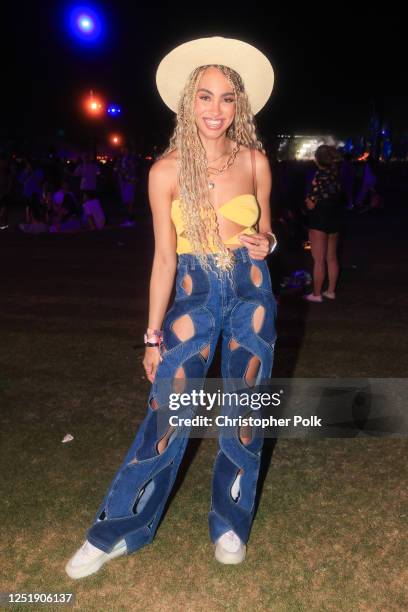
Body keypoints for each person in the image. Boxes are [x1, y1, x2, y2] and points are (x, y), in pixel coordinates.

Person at [65, 36, 278, 579]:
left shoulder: (254, 161)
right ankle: (117, 529)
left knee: (244, 410)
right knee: (168, 412)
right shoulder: (165, 171)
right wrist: (152, 337)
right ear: (188, 101)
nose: (216, 109)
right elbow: (163, 260)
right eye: (205, 97)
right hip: (195, 291)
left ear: (240, 105)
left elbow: (269, 231)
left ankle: (230, 523)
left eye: (227, 98)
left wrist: (268, 244)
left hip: (252, 291)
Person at [304, 145, 345, 302]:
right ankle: (331, 291)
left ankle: (316, 294)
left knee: (319, 260)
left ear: (318, 160)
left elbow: (311, 203)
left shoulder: (319, 176)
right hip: (335, 219)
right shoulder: (336, 175)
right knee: (332, 258)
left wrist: (307, 200)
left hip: (319, 220)